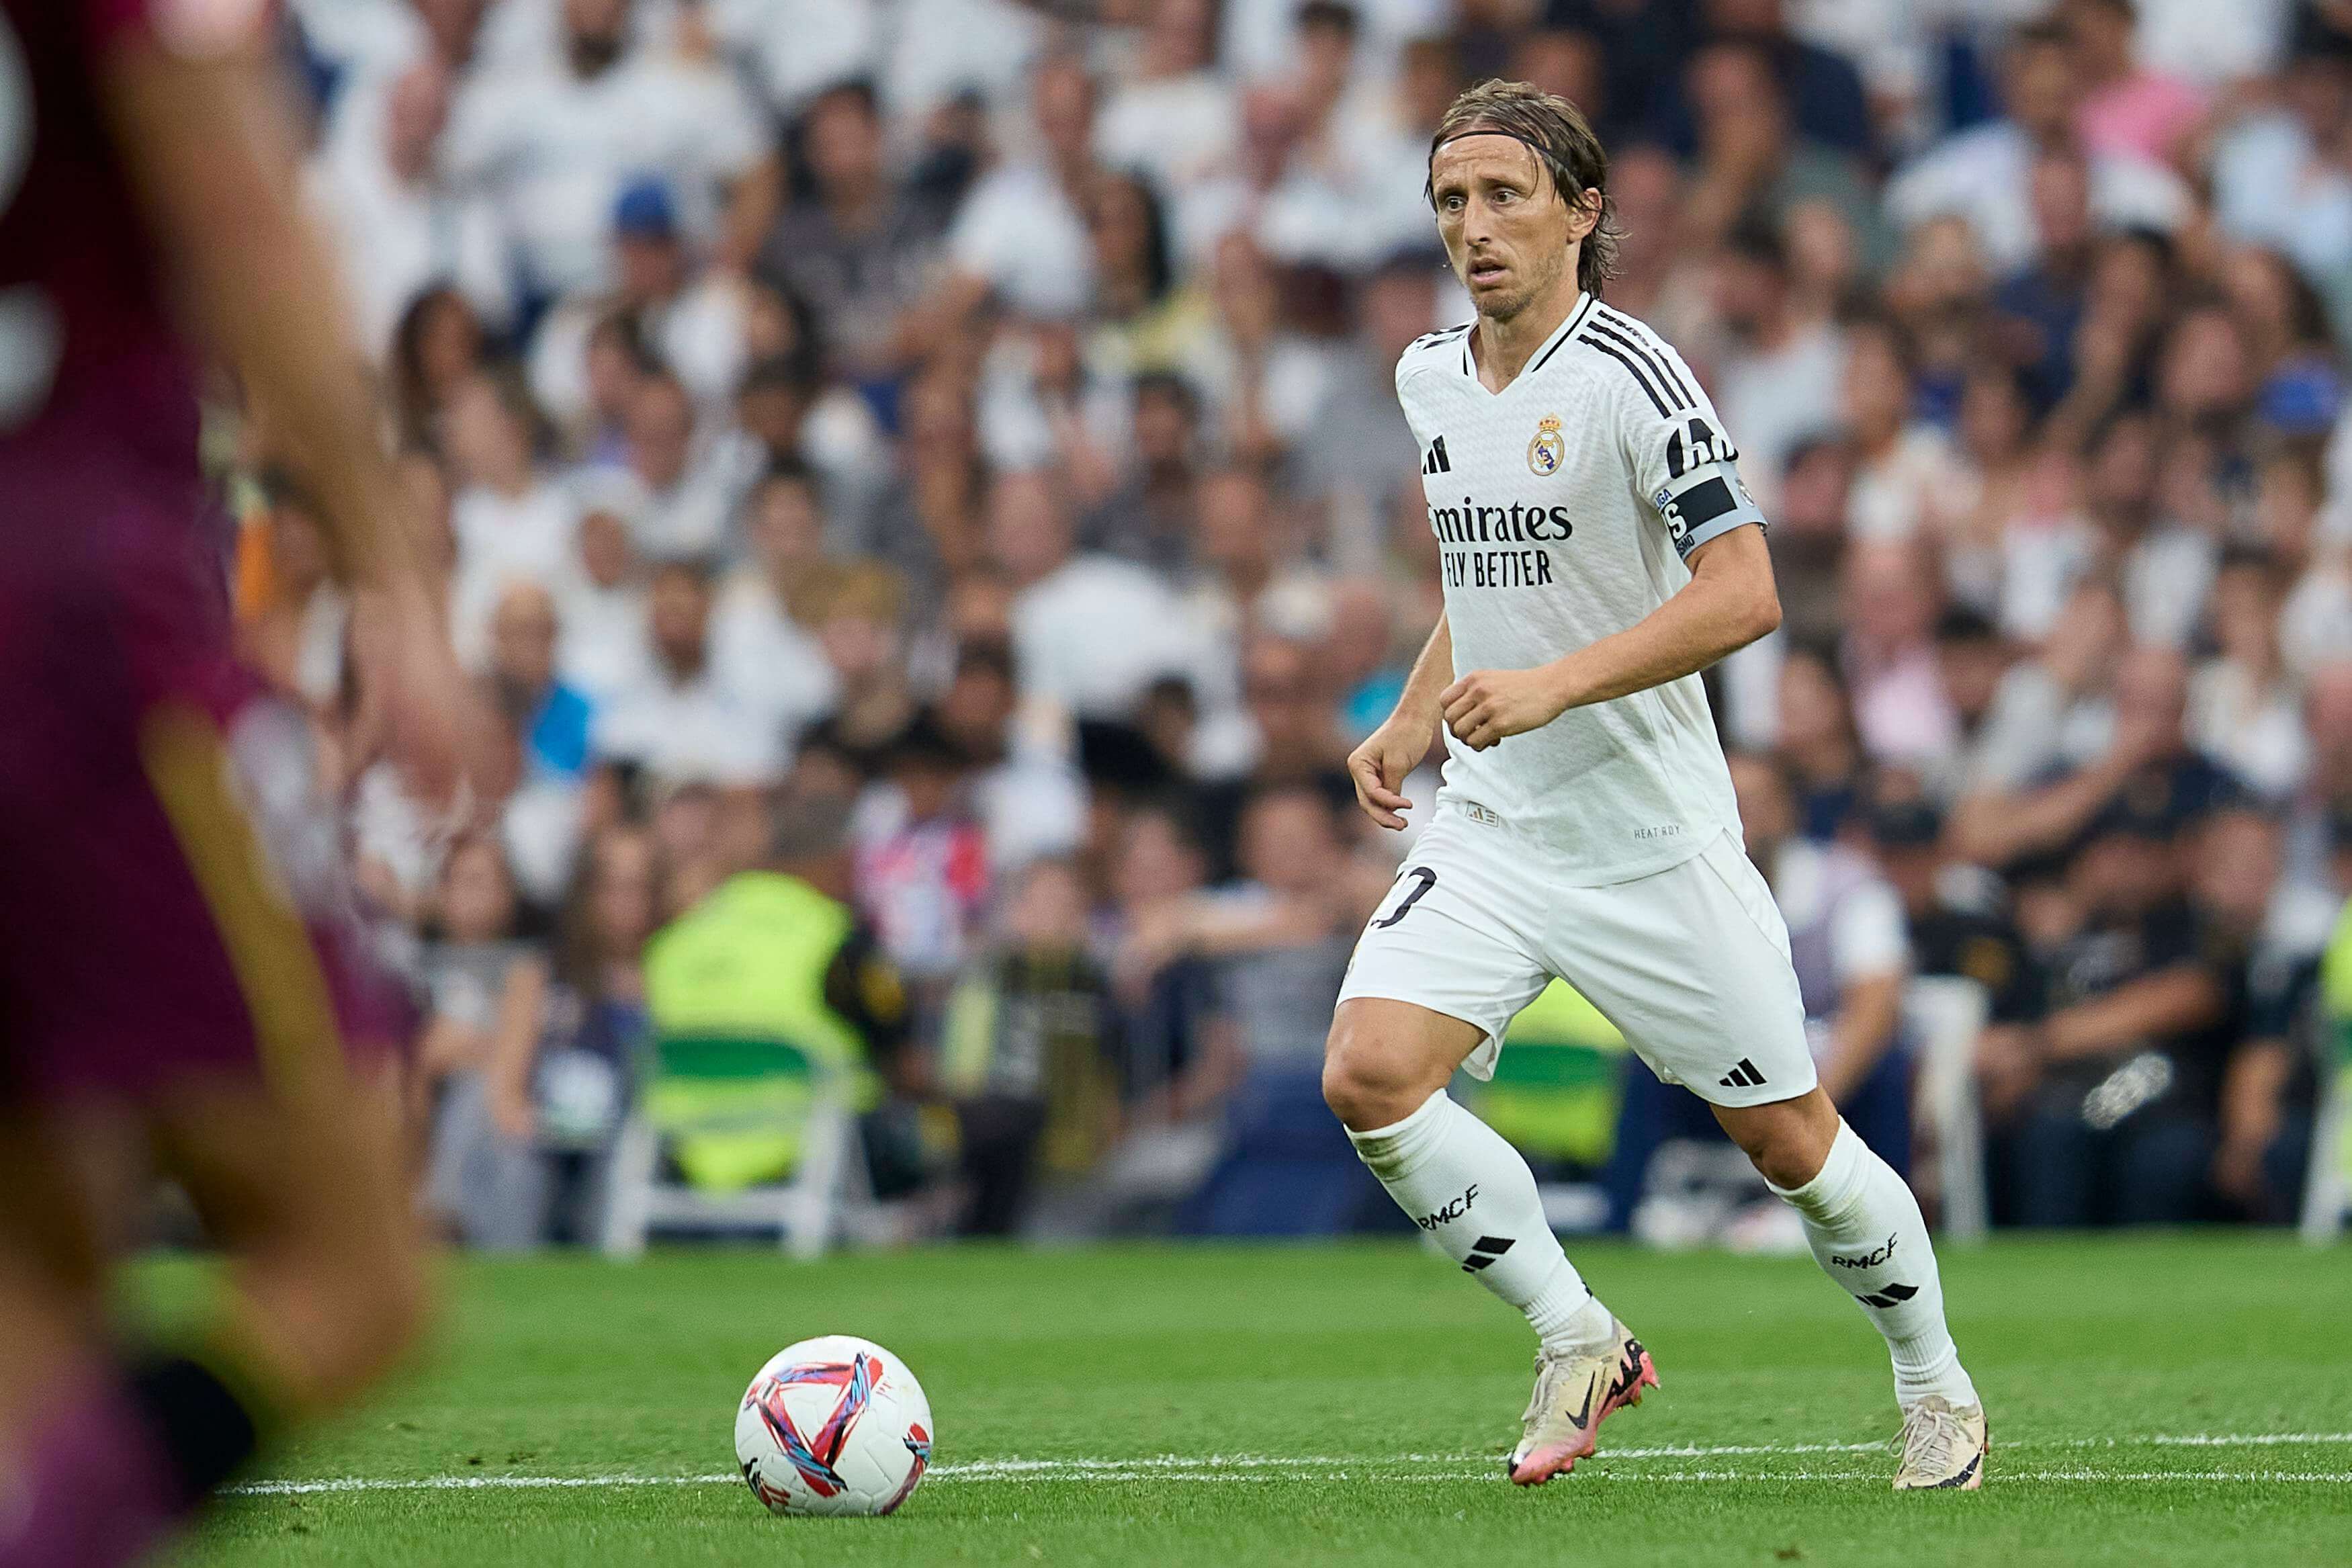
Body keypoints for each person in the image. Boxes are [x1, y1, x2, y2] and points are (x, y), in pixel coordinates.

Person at [1325, 81, 1985, 1491]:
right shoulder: (1427, 376)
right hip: (1496, 829)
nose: (1472, 226)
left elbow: (1744, 594)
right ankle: (1577, 1336)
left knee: (1789, 1143)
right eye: (1450, 200)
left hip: (1646, 840)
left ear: (1580, 212)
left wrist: (1555, 685)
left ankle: (1934, 1385)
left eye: (1503, 196)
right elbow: (1487, 571)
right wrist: (1416, 708)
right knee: (1368, 1075)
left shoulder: (1634, 378)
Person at [0, 3, 496, 1563]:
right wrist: (397, 586)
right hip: (68, 622)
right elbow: (247, 227)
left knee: (40, 1267)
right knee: (357, 1273)